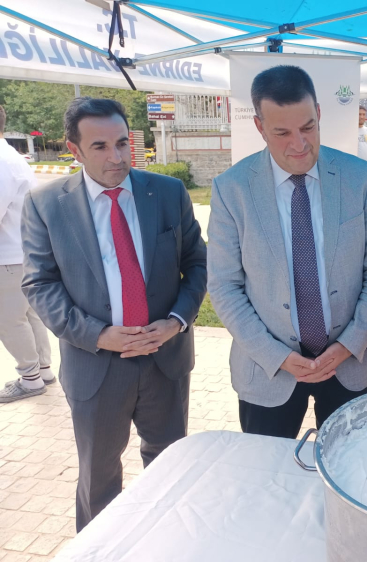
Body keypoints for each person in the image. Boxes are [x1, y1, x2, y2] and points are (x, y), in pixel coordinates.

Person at [21, 98, 207, 531]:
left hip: (165, 360)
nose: (117, 157)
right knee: (99, 477)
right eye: (101, 146)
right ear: (74, 149)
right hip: (96, 365)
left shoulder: (167, 193)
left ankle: (165, 544)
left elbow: (197, 263)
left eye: (123, 143)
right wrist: (99, 334)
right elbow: (39, 284)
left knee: (169, 468)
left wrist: (177, 321)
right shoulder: (46, 204)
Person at [208, 66, 367, 439]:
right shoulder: (232, 189)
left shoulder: (358, 177)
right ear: (260, 127)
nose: (299, 144)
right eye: (282, 133)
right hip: (267, 370)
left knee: (350, 464)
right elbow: (225, 287)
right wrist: (278, 357)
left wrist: (348, 345)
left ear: (319, 114)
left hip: (351, 362)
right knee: (266, 469)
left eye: (308, 127)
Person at [0, 105, 55, 403]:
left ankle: (30, 378)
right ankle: (42, 370)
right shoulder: (11, 156)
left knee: (9, 321)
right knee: (30, 315)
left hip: (7, 257)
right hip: (23, 251)